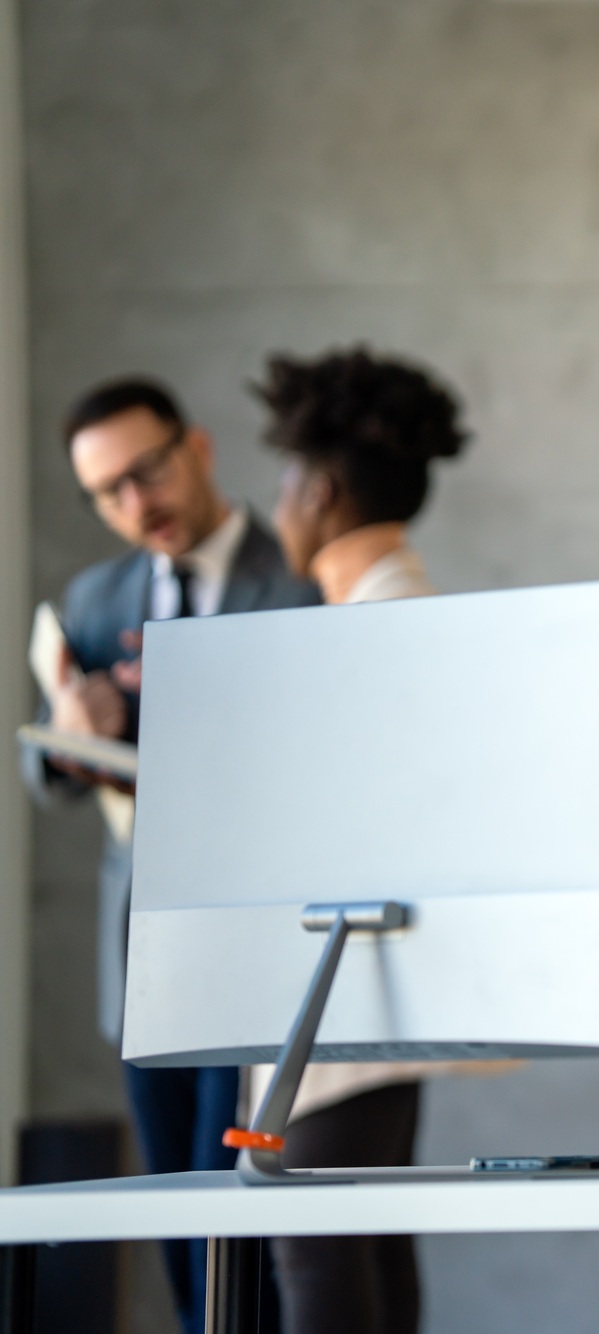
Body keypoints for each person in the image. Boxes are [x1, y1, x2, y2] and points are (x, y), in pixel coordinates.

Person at [19, 377, 318, 1334]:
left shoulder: (298, 574)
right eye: (108, 492)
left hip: (269, 946)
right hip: (147, 947)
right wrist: (71, 737)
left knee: (262, 1227)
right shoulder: (93, 597)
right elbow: (46, 775)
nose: (134, 503)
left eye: (145, 472)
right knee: (177, 1213)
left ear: (196, 448)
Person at [250, 345, 471, 1334]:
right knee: (364, 1251)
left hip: (337, 994)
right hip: (359, 996)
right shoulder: (388, 613)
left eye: (287, 482)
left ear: (322, 489)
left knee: (321, 1260)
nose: (278, 505)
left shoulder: (373, 629)